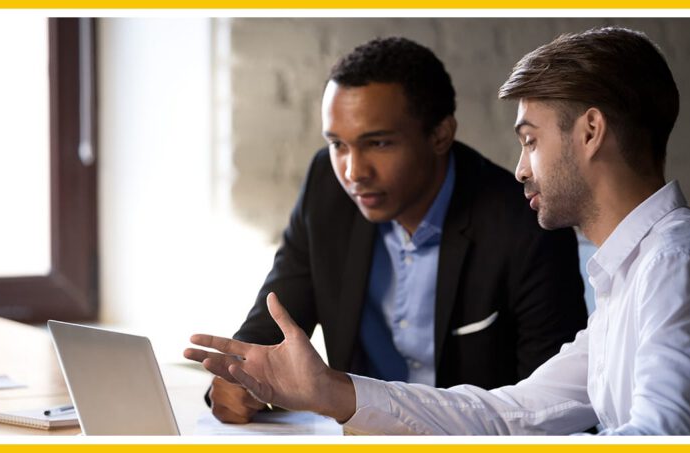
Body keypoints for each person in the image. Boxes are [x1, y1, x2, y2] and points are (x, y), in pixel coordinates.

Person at [184, 27, 690, 434]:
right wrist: (332, 392)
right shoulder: (636, 274)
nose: (521, 167)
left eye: (530, 140)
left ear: (591, 131)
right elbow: (512, 414)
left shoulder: (682, 264)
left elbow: (657, 440)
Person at [205, 36, 588, 424]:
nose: (354, 172)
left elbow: (556, 411)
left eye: (379, 143)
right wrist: (239, 377)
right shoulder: (327, 187)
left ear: (440, 135)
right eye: (338, 144)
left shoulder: (525, 225)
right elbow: (275, 319)